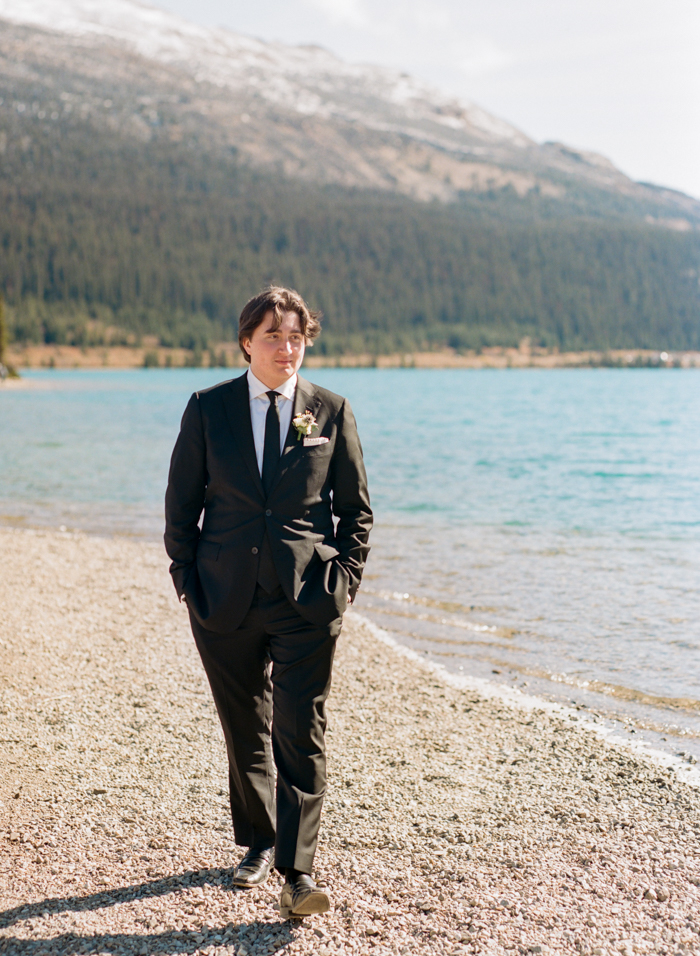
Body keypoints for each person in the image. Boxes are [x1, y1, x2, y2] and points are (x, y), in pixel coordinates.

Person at [164, 287, 372, 917]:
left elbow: (355, 513)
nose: (287, 348)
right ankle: (257, 841)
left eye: (296, 336)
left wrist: (343, 586)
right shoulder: (208, 409)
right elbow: (182, 503)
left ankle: (298, 871)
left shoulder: (330, 411)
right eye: (273, 336)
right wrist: (186, 580)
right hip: (222, 599)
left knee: (300, 729)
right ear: (246, 341)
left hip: (307, 600)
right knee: (245, 726)